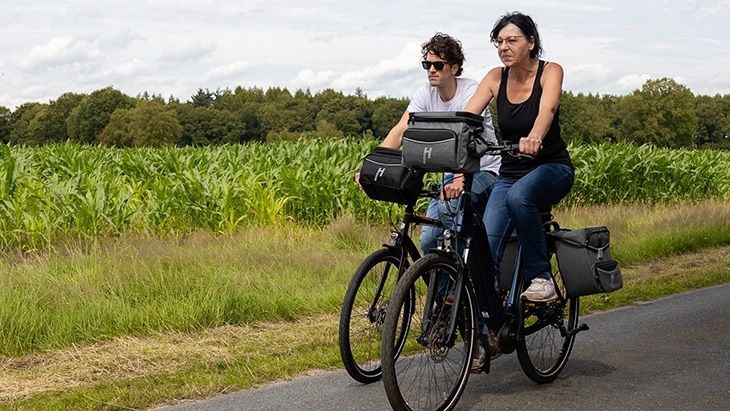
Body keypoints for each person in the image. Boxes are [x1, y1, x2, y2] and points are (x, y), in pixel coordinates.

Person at [356, 32, 500, 257]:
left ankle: (468, 282)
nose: (431, 69)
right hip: (453, 175)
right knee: (428, 240)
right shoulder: (425, 93)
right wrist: (375, 167)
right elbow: (401, 130)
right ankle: (443, 293)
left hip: (484, 170)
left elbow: (465, 137)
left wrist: (461, 179)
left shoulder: (471, 91)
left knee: (448, 209)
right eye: (427, 64)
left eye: (438, 64)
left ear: (454, 67)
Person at [464, 12, 574, 304]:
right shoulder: (494, 78)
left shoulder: (550, 71)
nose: (504, 47)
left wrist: (535, 136)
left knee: (518, 197)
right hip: (510, 172)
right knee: (486, 247)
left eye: (512, 40)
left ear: (531, 42)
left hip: (551, 166)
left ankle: (542, 278)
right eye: (499, 42)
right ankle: (490, 327)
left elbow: (547, 109)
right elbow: (466, 116)